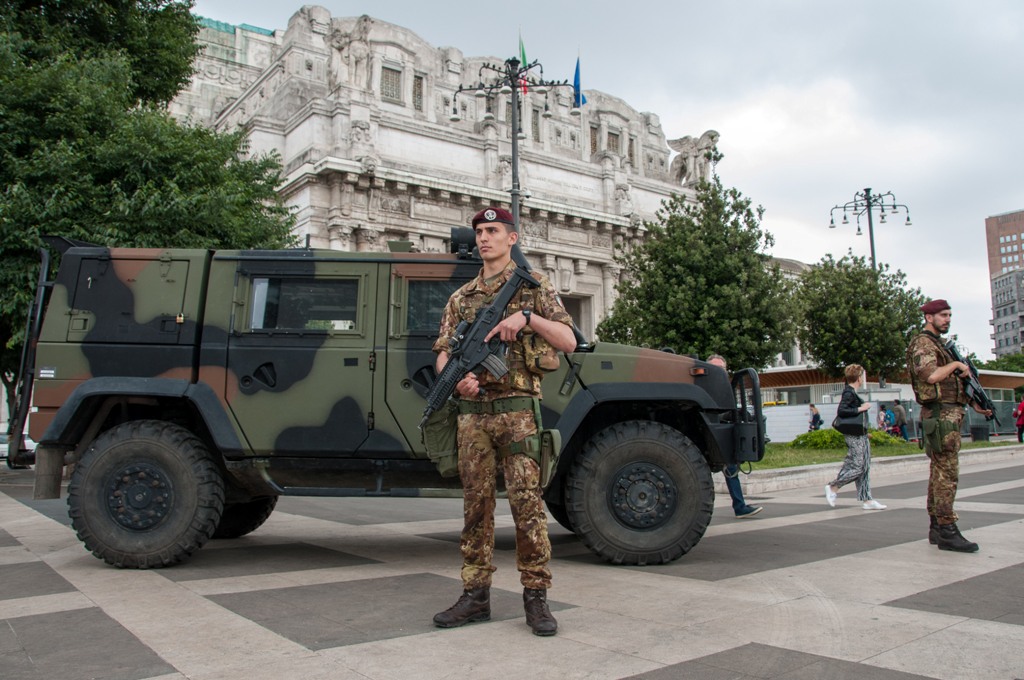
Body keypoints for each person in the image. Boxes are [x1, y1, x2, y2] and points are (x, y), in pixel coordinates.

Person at [431, 207, 576, 636]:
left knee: (527, 506)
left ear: (512, 238)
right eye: (479, 231)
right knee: (475, 508)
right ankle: (475, 596)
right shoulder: (462, 297)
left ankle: (536, 597)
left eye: (493, 231)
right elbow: (443, 353)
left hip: (517, 413)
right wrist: (456, 382)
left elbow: (569, 340)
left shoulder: (535, 287)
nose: (484, 238)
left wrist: (528, 318)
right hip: (473, 417)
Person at [906, 299, 990, 553]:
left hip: (947, 413)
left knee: (939, 472)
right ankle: (947, 530)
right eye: (943, 315)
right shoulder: (923, 343)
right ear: (929, 317)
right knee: (947, 473)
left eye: (949, 315)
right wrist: (955, 365)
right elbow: (931, 376)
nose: (948, 319)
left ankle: (936, 527)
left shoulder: (939, 344)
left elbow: (950, 385)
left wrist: (973, 403)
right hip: (940, 415)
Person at [707, 354, 763, 518]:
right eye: (715, 368)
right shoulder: (703, 387)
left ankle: (739, 506)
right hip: (708, 436)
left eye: (722, 369)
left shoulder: (726, 389)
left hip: (722, 435)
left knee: (731, 471)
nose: (719, 372)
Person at [825, 364, 886, 511]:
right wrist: (861, 408)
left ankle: (867, 500)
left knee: (864, 467)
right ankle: (833, 487)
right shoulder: (849, 392)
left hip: (860, 435)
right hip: (855, 436)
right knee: (859, 467)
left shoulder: (852, 392)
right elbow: (842, 411)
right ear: (859, 378)